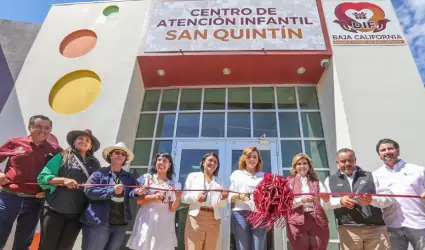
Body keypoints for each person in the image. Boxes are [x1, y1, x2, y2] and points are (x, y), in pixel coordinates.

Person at [0, 115, 62, 250]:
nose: (43, 130)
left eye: (47, 128)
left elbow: (61, 173)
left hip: (34, 201)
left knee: (23, 243)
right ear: (30, 127)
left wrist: (47, 190)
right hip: (9, 197)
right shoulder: (15, 142)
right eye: (38, 126)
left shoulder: (55, 150)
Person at [37, 129, 101, 250]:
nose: (84, 141)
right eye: (80, 138)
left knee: (66, 247)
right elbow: (42, 178)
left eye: (87, 140)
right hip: (54, 210)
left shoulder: (95, 163)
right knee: (47, 246)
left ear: (91, 146)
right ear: (74, 141)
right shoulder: (61, 156)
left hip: (77, 214)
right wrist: (63, 180)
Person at [324, 148, 394, 250]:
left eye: (350, 160)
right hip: (348, 230)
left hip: (375, 228)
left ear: (355, 160)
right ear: (337, 162)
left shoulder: (371, 176)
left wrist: (372, 200)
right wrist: (340, 201)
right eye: (343, 161)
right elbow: (324, 203)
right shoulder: (330, 180)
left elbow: (389, 198)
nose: (347, 164)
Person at [81, 142, 143, 250]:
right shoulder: (99, 173)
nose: (120, 155)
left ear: (125, 159)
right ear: (110, 155)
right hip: (99, 222)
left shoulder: (130, 177)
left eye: (123, 154)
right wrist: (111, 190)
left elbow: (131, 192)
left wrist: (138, 192)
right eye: (117, 153)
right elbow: (89, 191)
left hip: (120, 224)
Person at [373, 138, 425, 250]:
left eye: (390, 148)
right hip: (392, 225)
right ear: (379, 154)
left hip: (419, 223)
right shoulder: (375, 175)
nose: (387, 152)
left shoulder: (418, 170)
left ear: (398, 151)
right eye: (383, 150)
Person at [127, 152, 182, 250]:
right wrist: (155, 197)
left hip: (164, 220)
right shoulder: (146, 178)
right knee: (144, 245)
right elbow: (139, 201)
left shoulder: (174, 184)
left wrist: (177, 198)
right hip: (147, 217)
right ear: (155, 164)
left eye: (165, 161)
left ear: (169, 165)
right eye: (159, 160)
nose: (161, 162)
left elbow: (172, 208)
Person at [182, 152, 229, 250]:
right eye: (210, 160)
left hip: (214, 219)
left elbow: (219, 204)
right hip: (196, 218)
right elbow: (184, 197)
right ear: (203, 162)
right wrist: (196, 198)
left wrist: (223, 198)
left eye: (215, 162)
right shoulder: (193, 176)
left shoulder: (218, 182)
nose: (213, 163)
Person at [286, 153, 331, 250]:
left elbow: (325, 202)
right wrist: (302, 200)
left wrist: (326, 199)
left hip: (317, 220)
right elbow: (286, 204)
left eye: (305, 163)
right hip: (296, 221)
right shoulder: (289, 182)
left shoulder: (317, 182)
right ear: (295, 167)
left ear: (309, 166)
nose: (302, 166)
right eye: (299, 164)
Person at [229, 146, 266, 250]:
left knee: (258, 247)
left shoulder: (264, 176)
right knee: (243, 247)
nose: (252, 159)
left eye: (255, 157)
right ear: (244, 158)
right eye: (249, 156)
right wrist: (240, 196)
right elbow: (230, 196)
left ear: (258, 159)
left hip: (259, 214)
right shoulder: (236, 174)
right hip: (240, 214)